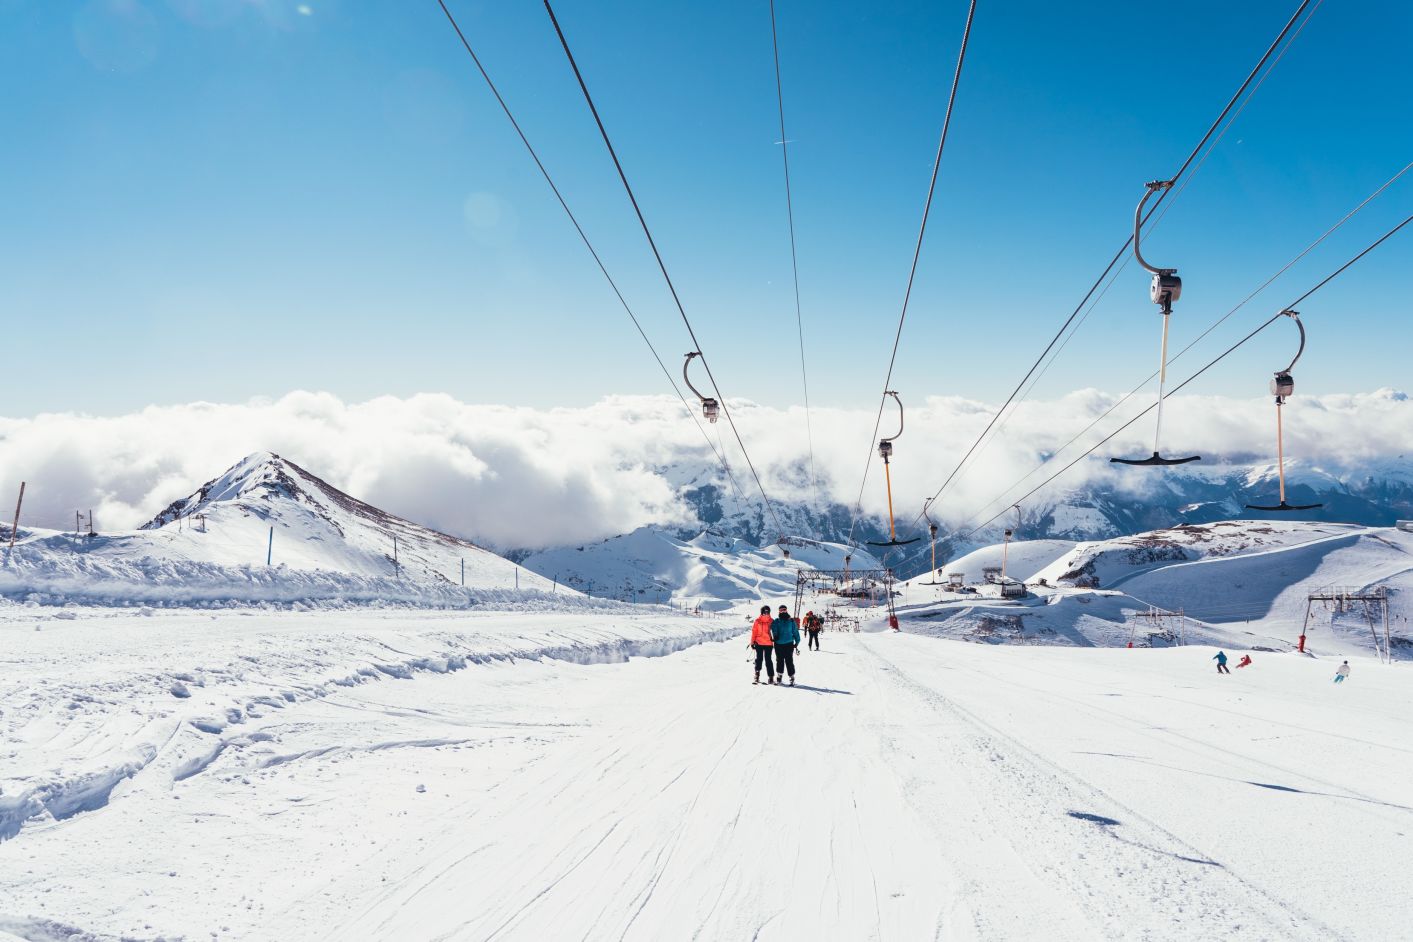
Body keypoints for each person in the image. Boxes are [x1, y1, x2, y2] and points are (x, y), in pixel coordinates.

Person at [771, 604, 800, 686]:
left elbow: (795, 632)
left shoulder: (791, 621)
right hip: (778, 644)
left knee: (789, 661)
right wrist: (775, 635)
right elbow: (773, 628)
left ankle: (792, 677)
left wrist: (797, 642)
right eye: (781, 610)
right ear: (779, 611)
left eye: (784, 610)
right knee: (779, 660)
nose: (783, 611)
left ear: (786, 611)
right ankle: (779, 677)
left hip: (789, 644)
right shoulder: (776, 621)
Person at [750, 605, 775, 685]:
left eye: (767, 611)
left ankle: (771, 677)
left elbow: (775, 632)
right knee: (759, 659)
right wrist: (752, 642)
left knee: (768, 660)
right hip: (759, 643)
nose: (766, 613)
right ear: (762, 612)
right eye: (765, 611)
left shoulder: (772, 621)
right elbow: (754, 632)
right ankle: (757, 675)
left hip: (768, 643)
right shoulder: (757, 621)